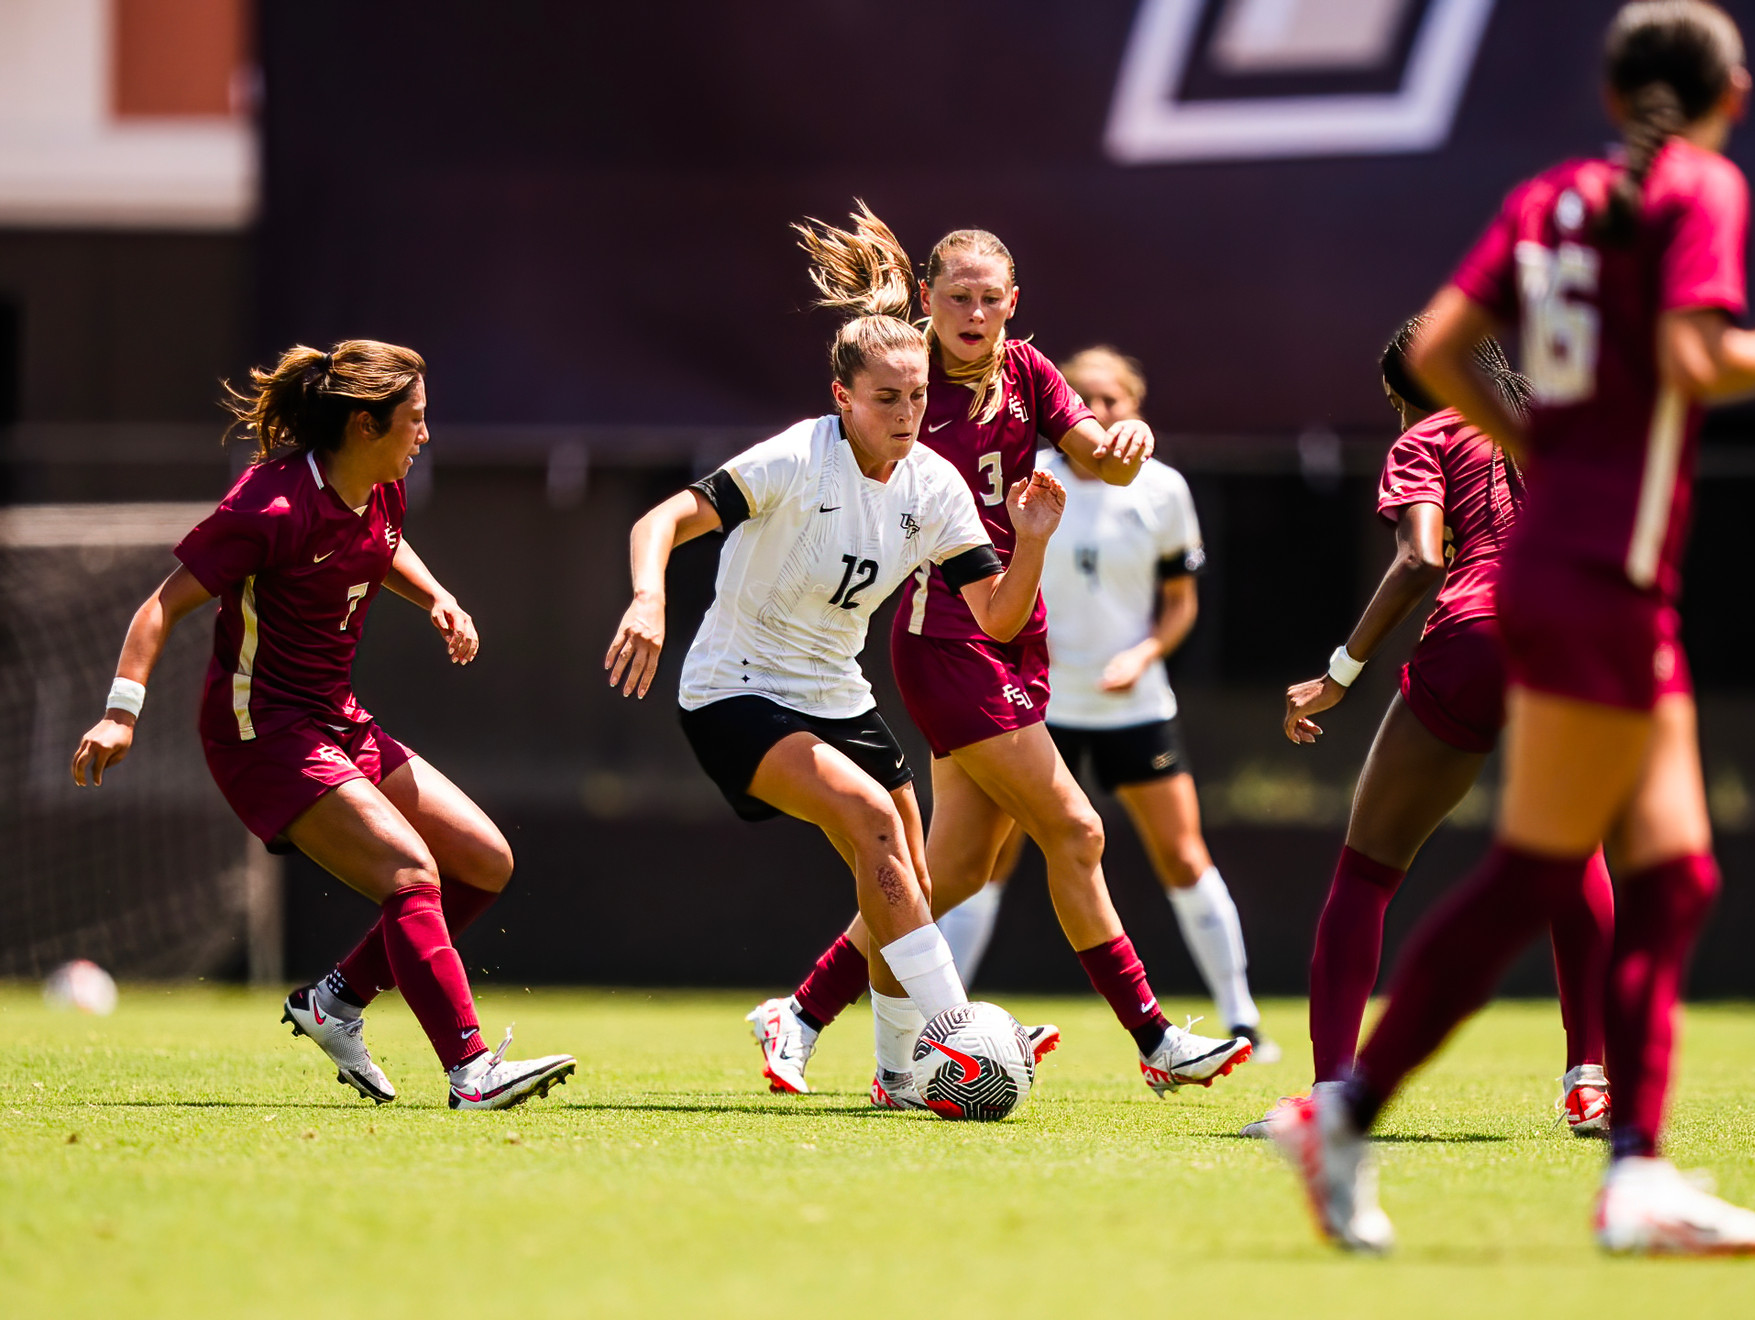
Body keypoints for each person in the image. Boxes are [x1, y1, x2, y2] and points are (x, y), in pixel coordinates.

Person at [1269, 0, 1755, 1255]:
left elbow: (1438, 346)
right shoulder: (1698, 187)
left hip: (1582, 575)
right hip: (1594, 578)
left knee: (1671, 869)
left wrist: (1549, 443)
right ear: (1731, 92)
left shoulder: (1551, 198)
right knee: (1562, 871)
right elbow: (1699, 359)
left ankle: (1628, 1163)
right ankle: (1373, 1112)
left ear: (1610, 92)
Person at [745, 212, 1251, 1102]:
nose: (974, 313)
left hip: (1015, 626)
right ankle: (1154, 1037)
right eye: (957, 298)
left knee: (955, 874)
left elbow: (1098, 457)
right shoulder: (905, 380)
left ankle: (806, 1011)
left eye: (990, 298)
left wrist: (1128, 446)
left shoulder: (1027, 372)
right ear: (928, 303)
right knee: (1078, 829)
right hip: (944, 632)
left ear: (1015, 304)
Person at [605, 207, 1067, 1103]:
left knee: (908, 878)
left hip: (835, 693)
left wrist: (1036, 540)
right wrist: (650, 596)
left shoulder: (936, 488)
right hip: (734, 691)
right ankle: (959, 1031)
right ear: (842, 399)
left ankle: (894, 1070)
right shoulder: (796, 459)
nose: (906, 413)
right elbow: (661, 518)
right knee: (875, 821)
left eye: (918, 396)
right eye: (885, 398)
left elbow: (999, 620)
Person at [72, 340, 576, 1111]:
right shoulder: (267, 507)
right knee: (411, 873)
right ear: (365, 425)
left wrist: (437, 596)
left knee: (484, 862)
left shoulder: (380, 488)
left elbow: (383, 547)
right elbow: (161, 605)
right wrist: (119, 713)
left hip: (335, 718)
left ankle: (334, 1003)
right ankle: (470, 1072)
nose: (426, 434)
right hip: (261, 734)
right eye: (416, 419)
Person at [1240, 322, 1614, 1138]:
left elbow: (1420, 560)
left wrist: (1339, 672)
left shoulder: (1430, 434)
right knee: (1574, 846)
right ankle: (1591, 1078)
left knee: (1367, 872)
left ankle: (1335, 1091)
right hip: (1571, 638)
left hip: (1479, 634)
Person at [937, 346, 1278, 1062]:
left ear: (1137, 406)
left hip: (1134, 706)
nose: (1097, 413)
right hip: (1038, 704)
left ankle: (1242, 1018)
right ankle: (942, 1015)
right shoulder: (1030, 485)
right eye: (1081, 400)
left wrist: (1145, 656)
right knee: (981, 862)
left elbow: (1180, 604)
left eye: (1112, 400)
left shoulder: (1162, 490)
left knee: (1184, 856)